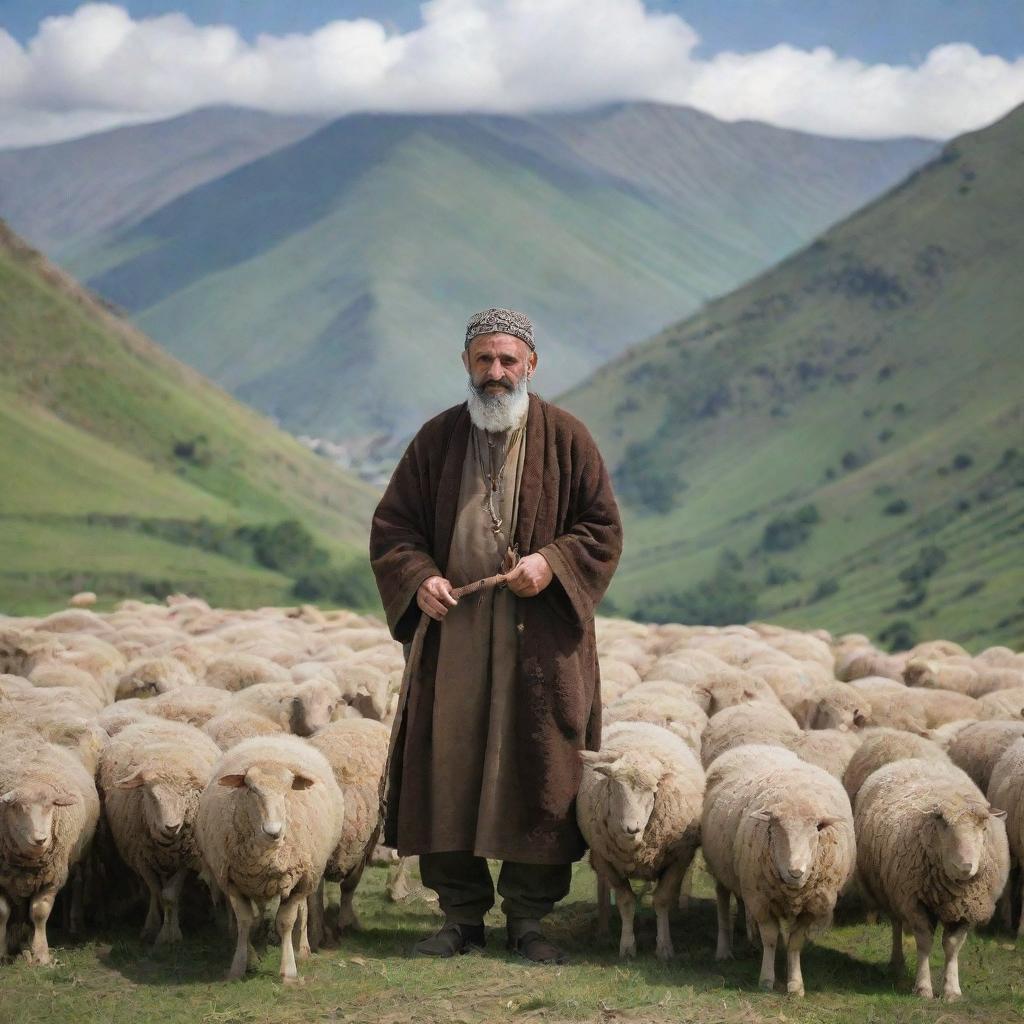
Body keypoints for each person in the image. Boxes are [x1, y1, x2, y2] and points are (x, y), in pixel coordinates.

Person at [369, 307, 623, 964]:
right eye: (484, 359)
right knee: (448, 768)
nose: (496, 373)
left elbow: (601, 530)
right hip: (454, 643)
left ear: (531, 365)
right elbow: (393, 530)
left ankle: (530, 921)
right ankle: (460, 917)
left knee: (539, 769)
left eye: (509, 360)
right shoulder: (436, 441)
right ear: (466, 364)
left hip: (538, 649)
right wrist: (419, 577)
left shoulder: (568, 439)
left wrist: (552, 563)